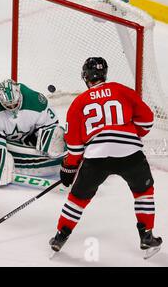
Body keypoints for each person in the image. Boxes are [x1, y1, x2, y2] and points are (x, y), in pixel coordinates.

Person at [49, 57, 162, 257]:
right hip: (130, 153)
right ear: (104, 74)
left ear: (85, 77)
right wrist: (128, 134)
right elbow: (147, 121)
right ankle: (147, 235)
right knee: (143, 192)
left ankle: (60, 236)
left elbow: (75, 148)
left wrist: (69, 168)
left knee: (77, 198)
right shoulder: (122, 90)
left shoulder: (78, 103)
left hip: (96, 157)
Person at [0, 79, 66, 188]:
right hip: (8, 141)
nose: (12, 107)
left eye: (15, 103)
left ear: (19, 94)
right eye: (8, 105)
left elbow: (51, 124)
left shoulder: (36, 99)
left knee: (57, 134)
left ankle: (64, 164)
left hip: (30, 137)